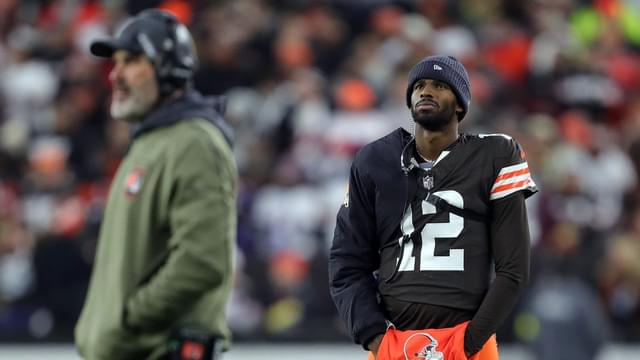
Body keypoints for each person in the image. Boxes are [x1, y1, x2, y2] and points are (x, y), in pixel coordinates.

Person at [329, 55, 536, 360]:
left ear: (461, 104)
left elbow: (514, 269)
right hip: (394, 342)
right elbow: (348, 262)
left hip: (466, 341)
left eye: (440, 86)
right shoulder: (374, 160)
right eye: (420, 86)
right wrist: (375, 338)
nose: (426, 92)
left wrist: (469, 341)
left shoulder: (496, 155)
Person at [75, 9, 237, 360]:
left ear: (170, 68)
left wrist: (127, 320)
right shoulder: (152, 141)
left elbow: (202, 261)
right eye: (115, 63)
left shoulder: (193, 142)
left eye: (132, 60)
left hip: (157, 351)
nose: (116, 75)